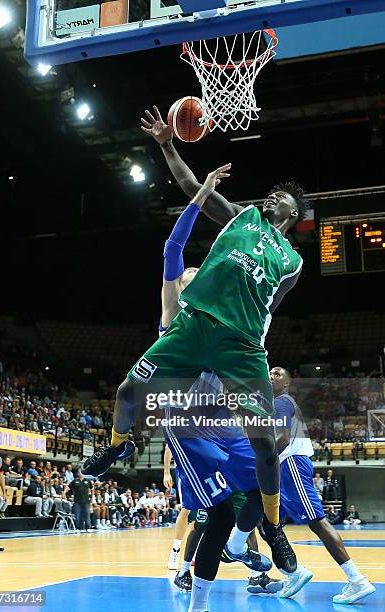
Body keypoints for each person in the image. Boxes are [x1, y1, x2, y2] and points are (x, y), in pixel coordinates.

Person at [84, 108, 305, 544]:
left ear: (293, 213)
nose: (272, 196)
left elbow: (269, 308)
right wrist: (167, 143)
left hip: (240, 343)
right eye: (272, 192)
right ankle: (117, 445)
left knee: (263, 443)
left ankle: (274, 528)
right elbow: (190, 186)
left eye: (281, 196)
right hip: (194, 325)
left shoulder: (292, 261)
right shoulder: (243, 218)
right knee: (128, 392)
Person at [257, 367, 375, 604]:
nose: (271, 375)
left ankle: (357, 580)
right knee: (267, 524)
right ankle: (293, 572)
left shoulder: (282, 401)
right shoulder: (273, 405)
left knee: (317, 523)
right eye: (270, 372)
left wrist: (261, 462)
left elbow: (283, 438)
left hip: (291, 465)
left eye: (278, 373)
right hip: (284, 468)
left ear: (288, 383)